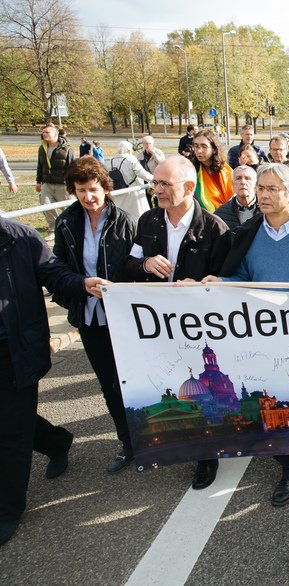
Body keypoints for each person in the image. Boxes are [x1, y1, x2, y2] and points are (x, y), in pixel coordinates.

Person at [202, 163, 289, 506]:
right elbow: (242, 278)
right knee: (276, 398)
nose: (262, 195)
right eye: (261, 189)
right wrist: (222, 283)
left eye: (271, 189)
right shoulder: (247, 233)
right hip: (266, 336)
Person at [126, 156, 232, 491]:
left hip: (198, 329)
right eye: (155, 183)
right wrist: (144, 264)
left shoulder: (214, 228)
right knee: (171, 384)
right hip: (160, 326)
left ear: (188, 187)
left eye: (163, 184)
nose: (155, 190)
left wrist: (201, 286)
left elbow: (225, 284)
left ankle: (206, 456)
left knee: (200, 398)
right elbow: (126, 266)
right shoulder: (147, 222)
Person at [0, 214, 108, 546]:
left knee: (11, 432)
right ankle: (55, 442)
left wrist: (82, 283)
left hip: (14, 350)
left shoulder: (20, 238)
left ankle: (8, 511)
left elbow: (53, 274)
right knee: (13, 420)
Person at [53, 156, 137, 472]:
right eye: (80, 190)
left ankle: (149, 437)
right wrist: (79, 286)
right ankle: (128, 443)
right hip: (89, 318)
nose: (88, 197)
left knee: (131, 381)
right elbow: (58, 268)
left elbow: (136, 269)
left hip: (123, 319)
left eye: (93, 189)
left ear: (104, 186)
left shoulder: (126, 222)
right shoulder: (66, 223)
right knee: (109, 385)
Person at [36, 123, 76, 240]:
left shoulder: (67, 149)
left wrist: (72, 184)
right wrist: (39, 181)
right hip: (47, 184)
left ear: (55, 134)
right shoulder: (42, 148)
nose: (44, 135)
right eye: (43, 133)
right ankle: (53, 230)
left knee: (67, 209)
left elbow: (73, 167)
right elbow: (40, 166)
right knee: (45, 205)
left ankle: (71, 228)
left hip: (63, 185)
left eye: (47, 133)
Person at [191, 129, 234, 212]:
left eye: (204, 147)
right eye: (196, 146)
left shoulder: (226, 172)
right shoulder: (192, 173)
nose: (199, 151)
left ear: (214, 149)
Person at [214, 165, 261, 232]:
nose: (243, 182)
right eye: (238, 178)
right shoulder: (221, 214)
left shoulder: (267, 209)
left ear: (256, 184)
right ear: (232, 184)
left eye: (247, 178)